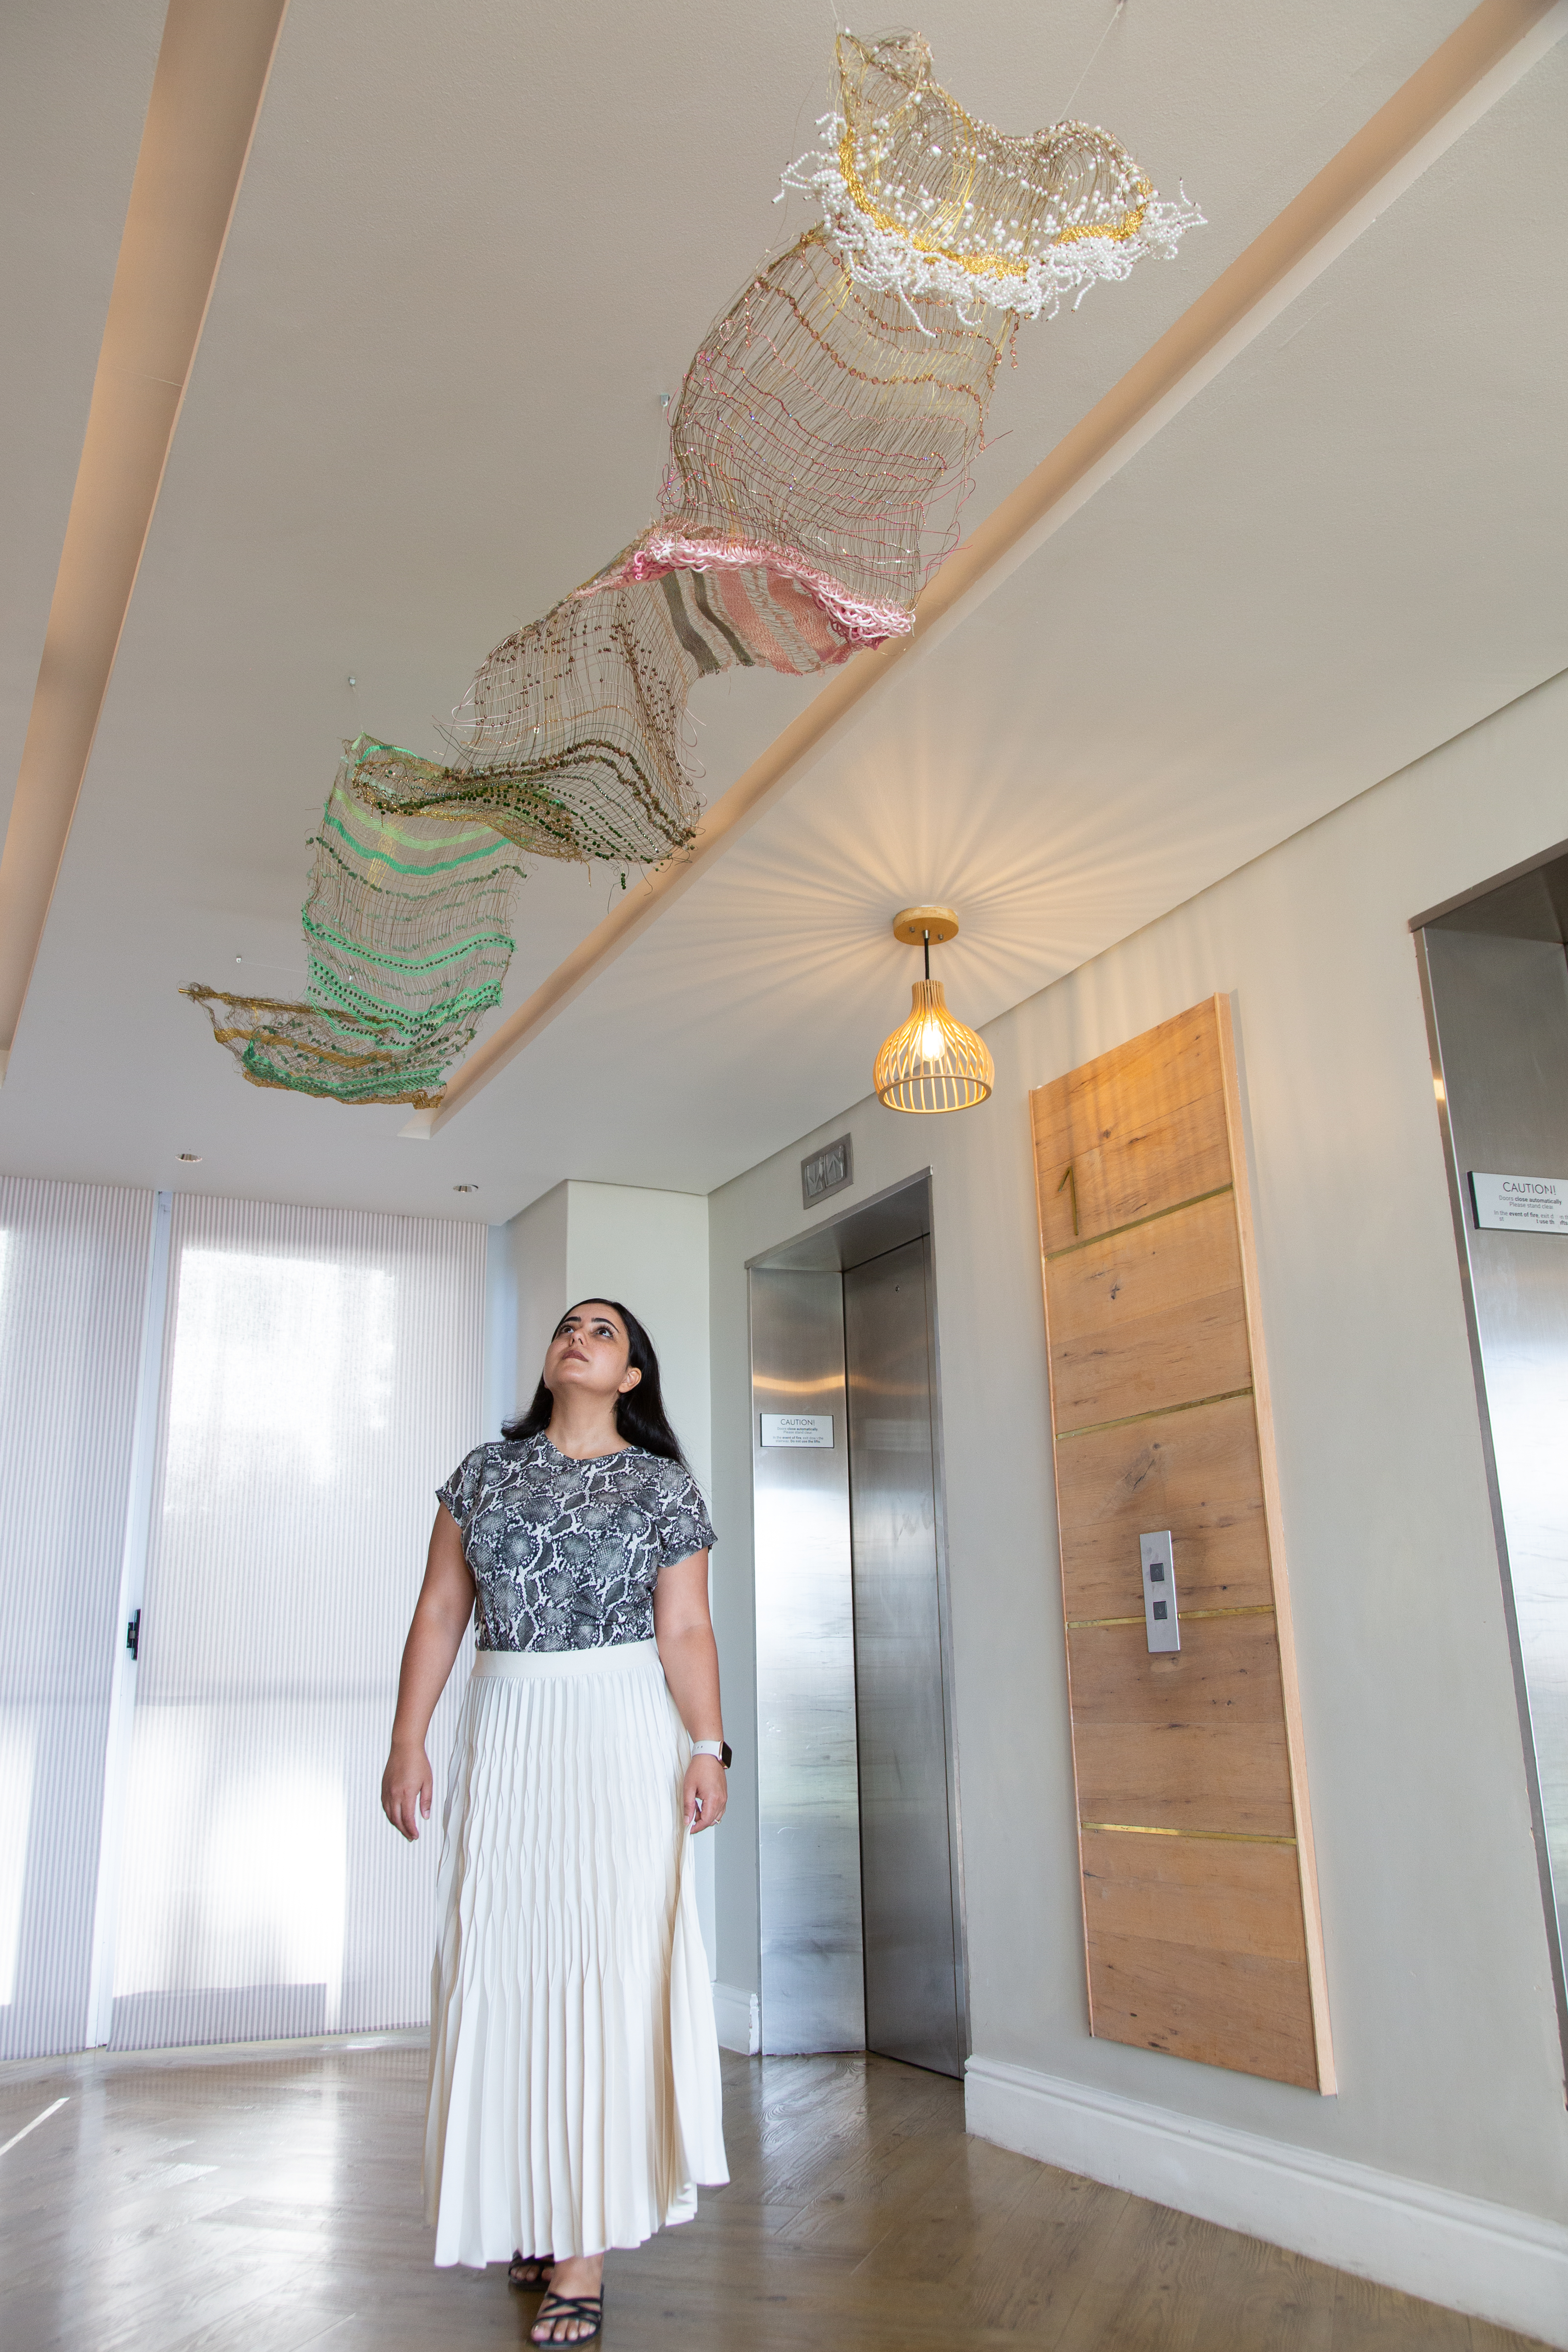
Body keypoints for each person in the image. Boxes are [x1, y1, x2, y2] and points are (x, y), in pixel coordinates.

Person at [381, 1298, 730, 2348]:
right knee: (504, 1968)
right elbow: (440, 1610)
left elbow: (686, 1626)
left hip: (619, 1737)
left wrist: (708, 1745)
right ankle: (533, 2205)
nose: (578, 1336)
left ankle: (583, 2249)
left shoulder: (662, 1484)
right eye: (569, 1325)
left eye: (604, 1332)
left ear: (631, 1378)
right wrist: (407, 1741)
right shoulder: (484, 1473)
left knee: (605, 1977)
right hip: (507, 1730)